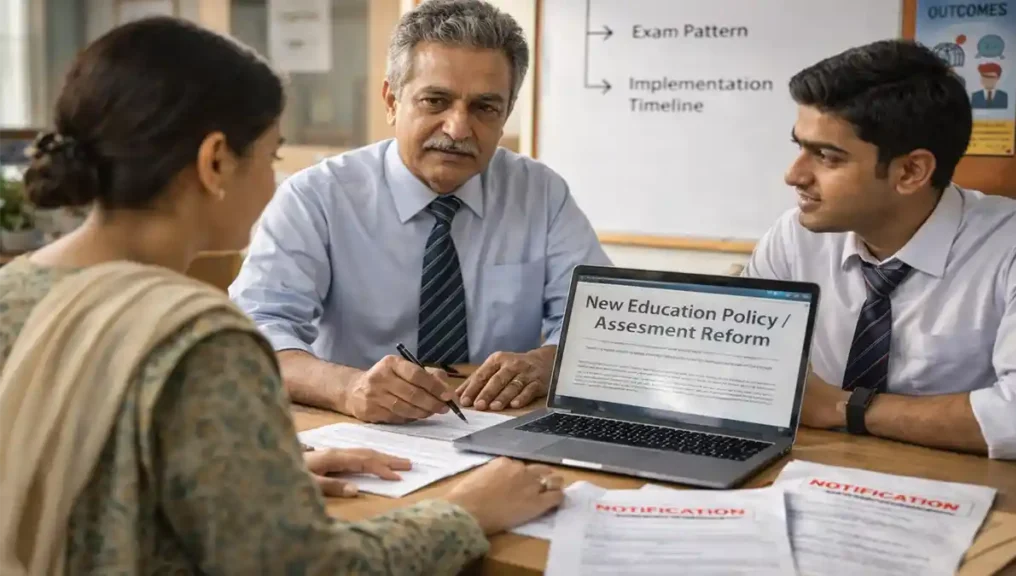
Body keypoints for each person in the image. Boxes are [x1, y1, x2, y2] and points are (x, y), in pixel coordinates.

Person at [0, 17, 565, 575]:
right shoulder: (204, 342)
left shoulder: (12, 292)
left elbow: (84, 468)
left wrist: (255, 471)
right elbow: (306, 568)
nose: (277, 181)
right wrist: (469, 509)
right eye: (272, 156)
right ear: (215, 162)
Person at [228, 0, 611, 424]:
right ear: (392, 100)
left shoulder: (540, 193)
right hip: (356, 430)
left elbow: (599, 326)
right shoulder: (316, 197)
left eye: (485, 107)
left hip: (500, 427)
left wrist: (544, 363)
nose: (458, 129)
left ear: (505, 114)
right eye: (435, 101)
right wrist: (348, 388)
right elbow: (254, 337)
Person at [743, 38, 1016, 460]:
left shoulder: (1013, 247)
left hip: (965, 487)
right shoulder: (795, 237)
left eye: (827, 157)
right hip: (812, 469)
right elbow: (742, 362)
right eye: (799, 146)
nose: (794, 175)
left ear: (911, 171)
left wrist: (845, 408)